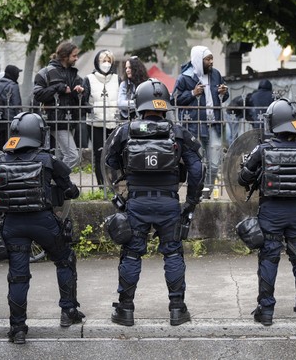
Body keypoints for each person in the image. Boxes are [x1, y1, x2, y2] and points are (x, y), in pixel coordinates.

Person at [106, 79, 204, 327]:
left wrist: (119, 194)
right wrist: (191, 201)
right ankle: (177, 309)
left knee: (131, 255)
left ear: (139, 103)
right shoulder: (179, 133)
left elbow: (109, 161)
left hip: (137, 203)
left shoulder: (125, 131)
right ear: (165, 104)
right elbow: (197, 169)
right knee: (172, 254)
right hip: (168, 204)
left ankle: (125, 310)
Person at [0, 112, 85, 344]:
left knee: (18, 278)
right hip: (43, 222)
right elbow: (69, 188)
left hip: (13, 226)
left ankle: (18, 328)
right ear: (39, 134)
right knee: (65, 259)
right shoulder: (47, 159)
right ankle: (68, 312)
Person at [237, 98, 296, 326]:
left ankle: (266, 311)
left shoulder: (263, 149)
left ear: (274, 123)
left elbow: (243, 178)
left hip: (271, 211)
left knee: (269, 259)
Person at [172, 45, 229, 188]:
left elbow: (225, 95)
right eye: (207, 59)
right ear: (198, 60)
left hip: (213, 124)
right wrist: (192, 93)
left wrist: (223, 92)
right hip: (194, 126)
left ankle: (207, 190)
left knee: (215, 162)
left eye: (212, 59)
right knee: (198, 162)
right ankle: (196, 190)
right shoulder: (185, 77)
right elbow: (174, 100)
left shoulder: (215, 74)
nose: (211, 62)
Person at [33, 41, 88, 169]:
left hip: (70, 119)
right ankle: (58, 180)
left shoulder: (73, 74)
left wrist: (79, 91)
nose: (76, 58)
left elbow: (81, 98)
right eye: (74, 56)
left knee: (60, 156)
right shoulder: (46, 72)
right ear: (65, 56)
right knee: (72, 156)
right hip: (55, 120)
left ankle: (57, 184)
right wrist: (59, 88)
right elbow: (38, 95)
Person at [82, 50, 120, 186]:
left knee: (114, 154)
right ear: (97, 62)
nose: (106, 64)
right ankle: (101, 185)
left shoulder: (116, 79)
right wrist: (94, 110)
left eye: (109, 61)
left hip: (113, 123)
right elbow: (83, 102)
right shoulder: (89, 79)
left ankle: (114, 183)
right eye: (103, 61)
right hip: (95, 124)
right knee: (99, 155)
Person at [0, 65, 23, 163]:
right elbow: (16, 103)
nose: (18, 75)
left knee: (1, 140)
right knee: (10, 141)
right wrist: (20, 117)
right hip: (10, 117)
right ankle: (9, 161)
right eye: (17, 73)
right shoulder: (13, 85)